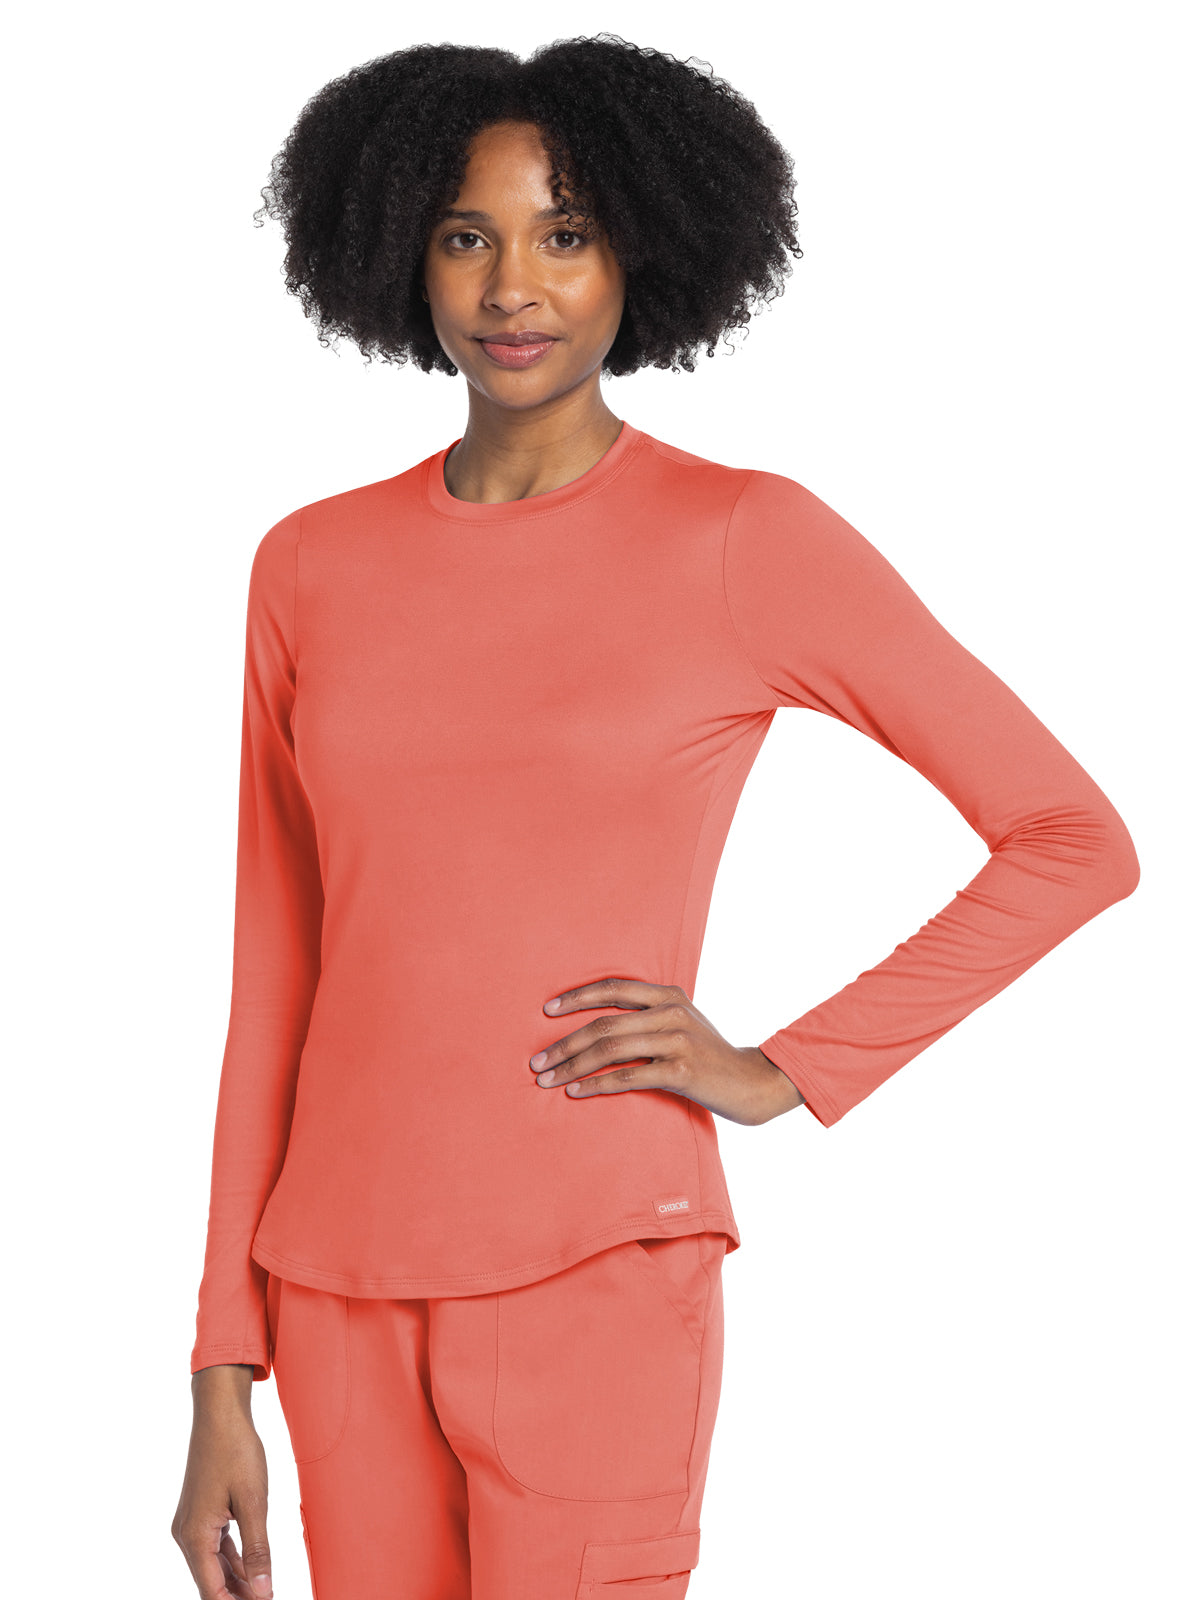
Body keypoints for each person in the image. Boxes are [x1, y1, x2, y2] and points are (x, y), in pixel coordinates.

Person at [171, 33, 1140, 1600]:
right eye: (467, 236)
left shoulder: (744, 537)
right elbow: (274, 976)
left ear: (645, 249)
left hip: (597, 1270)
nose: (513, 289)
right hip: (332, 1289)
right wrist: (223, 1361)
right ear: (400, 246)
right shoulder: (310, 565)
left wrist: (785, 1069)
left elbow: (1071, 838)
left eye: (565, 235)